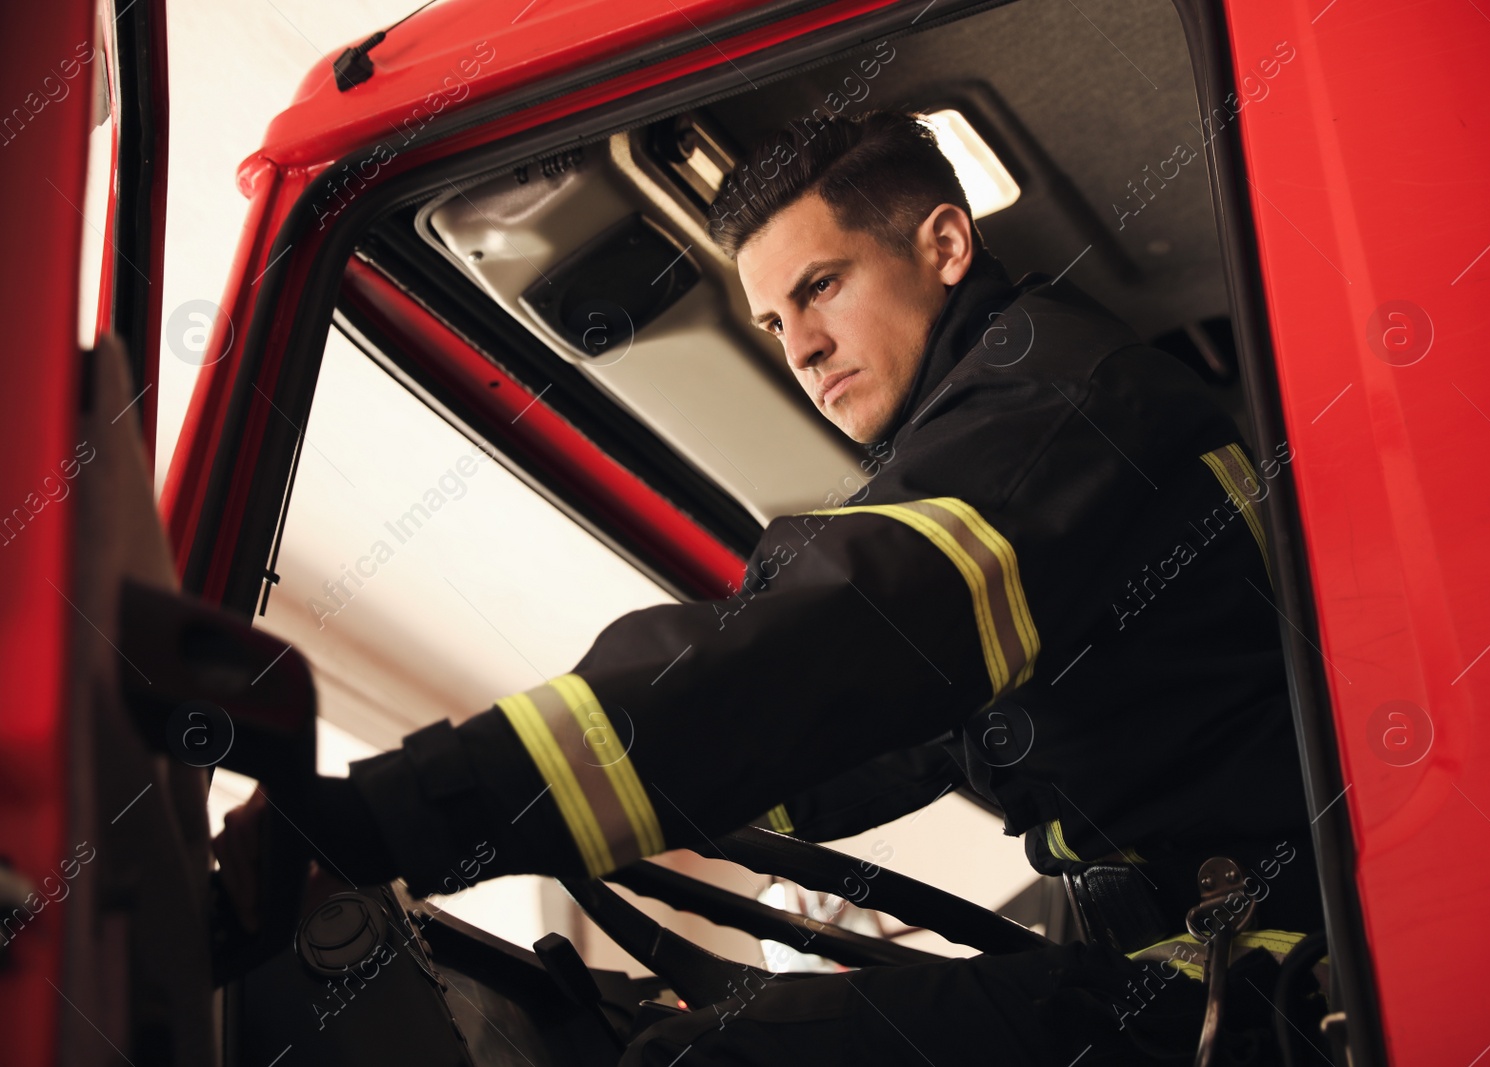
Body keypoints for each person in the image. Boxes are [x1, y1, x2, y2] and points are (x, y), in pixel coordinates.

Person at [216, 109, 1324, 1063]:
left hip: (1276, 968)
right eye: (773, 321)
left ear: (943, 243)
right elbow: (865, 731)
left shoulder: (1052, 412)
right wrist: (634, 798)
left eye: (821, 286)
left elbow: (820, 650)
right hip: (1196, 933)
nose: (799, 347)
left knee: (725, 1051)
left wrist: (386, 816)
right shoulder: (1025, 410)